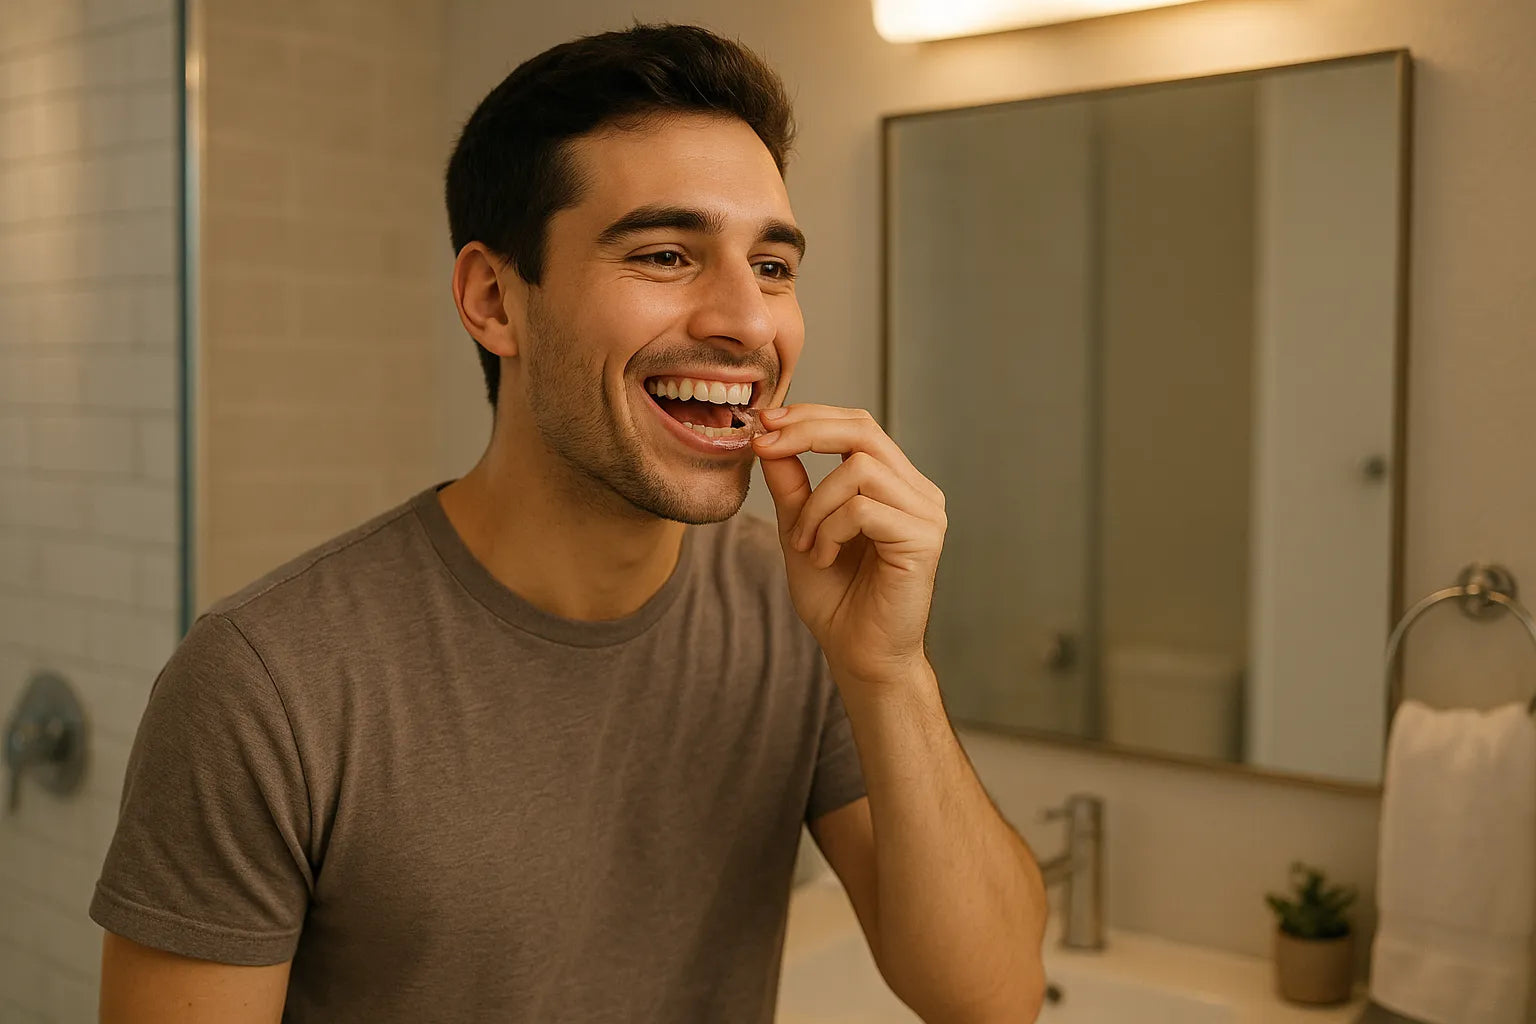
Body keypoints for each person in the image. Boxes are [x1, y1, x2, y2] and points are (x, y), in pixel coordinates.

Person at [92, 23, 1047, 1024]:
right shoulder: (266, 682)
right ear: (494, 298)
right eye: (668, 253)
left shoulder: (796, 610)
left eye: (771, 266)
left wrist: (890, 671)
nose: (750, 322)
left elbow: (993, 1000)